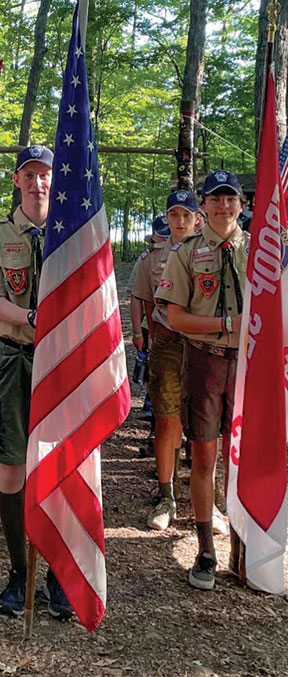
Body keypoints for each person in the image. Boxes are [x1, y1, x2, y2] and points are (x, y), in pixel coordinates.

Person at [0, 145, 73, 620]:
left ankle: (56, 573)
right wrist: (37, 317)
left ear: (56, 179)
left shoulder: (73, 232)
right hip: (16, 359)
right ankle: (18, 571)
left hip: (62, 365)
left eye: (45, 174)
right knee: (11, 467)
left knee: (58, 467)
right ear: (17, 181)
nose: (38, 183)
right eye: (29, 175)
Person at [155, 170, 248, 591]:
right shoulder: (187, 253)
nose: (223, 206)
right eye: (215, 199)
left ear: (241, 206)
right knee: (206, 458)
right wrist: (229, 323)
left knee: (244, 457)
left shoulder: (261, 251)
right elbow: (175, 317)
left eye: (230, 199)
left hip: (249, 367)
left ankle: (247, 547)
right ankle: (206, 550)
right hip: (206, 362)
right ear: (203, 207)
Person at [130, 190, 202, 531]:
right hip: (168, 342)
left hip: (205, 345)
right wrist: (145, 335)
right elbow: (143, 298)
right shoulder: (152, 257)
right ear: (167, 218)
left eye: (187, 215)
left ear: (197, 219)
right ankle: (166, 495)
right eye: (175, 215)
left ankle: (208, 500)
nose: (181, 221)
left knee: (205, 422)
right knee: (166, 419)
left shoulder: (212, 252)